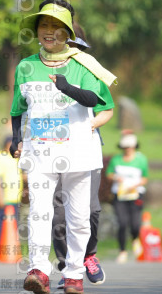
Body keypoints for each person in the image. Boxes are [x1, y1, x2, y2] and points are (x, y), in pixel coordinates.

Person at [10, 0, 112, 294]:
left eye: (57, 26)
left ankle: (74, 274)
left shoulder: (84, 64)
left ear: (68, 32)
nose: (49, 31)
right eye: (44, 25)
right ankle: (38, 270)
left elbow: (97, 100)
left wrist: (67, 87)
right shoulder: (27, 66)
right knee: (40, 213)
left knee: (79, 217)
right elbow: (18, 108)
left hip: (78, 153)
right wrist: (16, 139)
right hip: (40, 153)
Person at [52, 22, 115, 288]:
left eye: (75, 46)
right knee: (57, 214)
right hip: (53, 150)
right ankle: (68, 267)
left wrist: (85, 126)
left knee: (90, 209)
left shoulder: (90, 70)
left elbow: (107, 110)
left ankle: (89, 255)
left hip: (86, 147)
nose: (70, 51)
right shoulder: (46, 70)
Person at [106, 131, 149, 264]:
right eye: (125, 147)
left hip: (136, 194)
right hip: (120, 195)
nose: (128, 149)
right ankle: (122, 251)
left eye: (130, 146)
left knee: (135, 224)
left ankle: (135, 238)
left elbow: (145, 178)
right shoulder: (116, 159)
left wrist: (136, 184)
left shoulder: (141, 159)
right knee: (122, 223)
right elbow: (109, 174)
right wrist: (115, 177)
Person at [0, 136, 24, 255]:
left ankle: (11, 251)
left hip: (15, 198)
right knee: (1, 226)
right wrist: (0, 197)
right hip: (4, 199)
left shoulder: (15, 158)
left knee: (13, 226)